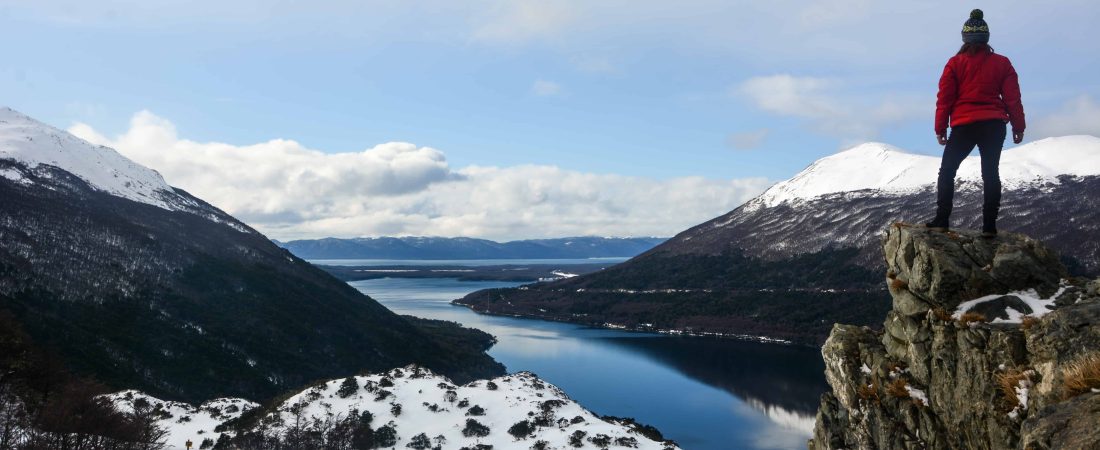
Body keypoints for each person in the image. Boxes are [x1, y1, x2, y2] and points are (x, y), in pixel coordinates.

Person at [926, 9, 1025, 237]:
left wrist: (940, 128)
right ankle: (989, 227)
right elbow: (1013, 99)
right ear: (986, 38)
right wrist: (1018, 127)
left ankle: (942, 219)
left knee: (947, 171)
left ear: (965, 38)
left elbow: (945, 98)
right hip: (994, 125)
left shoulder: (955, 64)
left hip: (964, 124)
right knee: (990, 173)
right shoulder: (1002, 63)